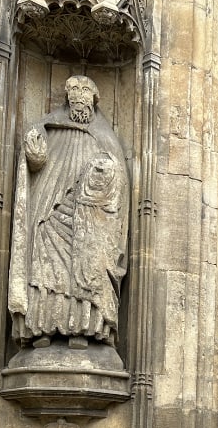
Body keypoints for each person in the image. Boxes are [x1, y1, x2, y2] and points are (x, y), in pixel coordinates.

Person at [8, 75, 129, 349]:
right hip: (50, 206)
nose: (80, 98)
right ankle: (41, 328)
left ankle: (84, 329)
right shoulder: (50, 126)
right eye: (74, 91)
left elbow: (118, 177)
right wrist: (34, 153)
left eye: (85, 92)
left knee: (89, 263)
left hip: (89, 212)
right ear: (67, 97)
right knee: (43, 255)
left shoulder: (104, 136)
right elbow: (36, 161)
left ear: (94, 99)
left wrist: (101, 176)